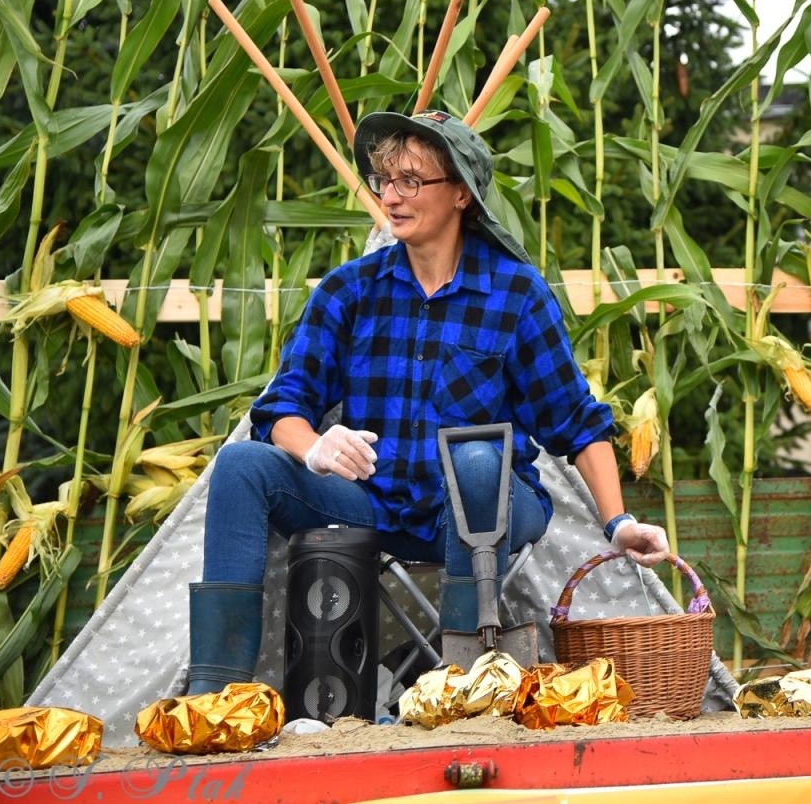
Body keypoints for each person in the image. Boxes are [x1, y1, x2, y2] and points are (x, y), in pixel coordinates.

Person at [184, 109, 669, 695]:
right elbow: (283, 403)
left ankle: (460, 686)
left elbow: (576, 423)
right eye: (385, 180)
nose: (392, 196)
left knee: (477, 460)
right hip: (375, 501)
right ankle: (216, 699)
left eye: (411, 181)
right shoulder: (349, 290)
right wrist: (313, 447)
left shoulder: (516, 294)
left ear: (461, 193)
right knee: (242, 466)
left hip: (489, 507)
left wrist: (617, 523)